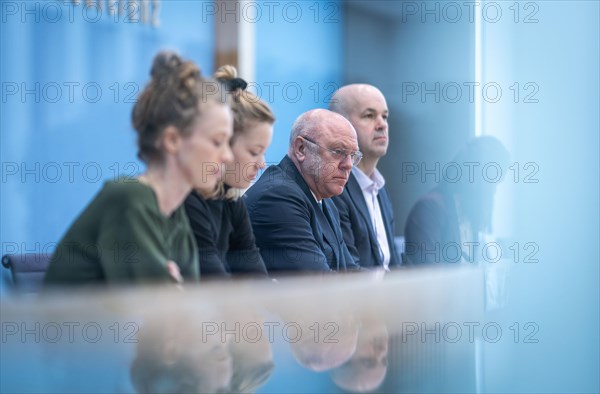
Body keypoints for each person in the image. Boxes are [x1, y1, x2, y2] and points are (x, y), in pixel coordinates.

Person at [43, 51, 233, 287]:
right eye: (217, 141)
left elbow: (184, 309)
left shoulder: (175, 215)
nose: (228, 156)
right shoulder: (129, 200)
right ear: (173, 140)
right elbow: (168, 316)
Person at [184, 65, 274, 279]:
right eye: (254, 152)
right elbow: (218, 289)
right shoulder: (187, 201)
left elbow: (256, 279)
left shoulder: (232, 199)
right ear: (224, 143)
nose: (262, 164)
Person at [244, 109, 361, 273]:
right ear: (301, 149)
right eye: (338, 152)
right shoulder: (277, 197)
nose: (348, 164)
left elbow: (350, 271)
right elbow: (318, 283)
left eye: (353, 155)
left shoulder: (325, 199)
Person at [404, 136, 510, 264]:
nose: (494, 192)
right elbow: (428, 276)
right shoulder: (429, 210)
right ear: (477, 182)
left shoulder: (470, 216)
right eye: (493, 184)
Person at [330, 84, 401, 271]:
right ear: (341, 125)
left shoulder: (380, 188)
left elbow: (391, 263)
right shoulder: (334, 188)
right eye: (369, 116)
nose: (382, 124)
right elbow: (348, 270)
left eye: (384, 116)